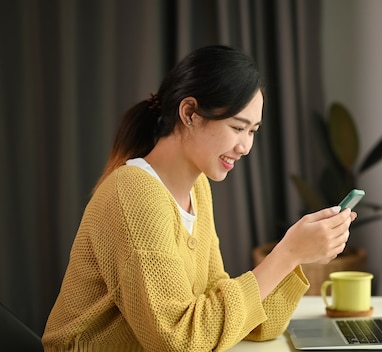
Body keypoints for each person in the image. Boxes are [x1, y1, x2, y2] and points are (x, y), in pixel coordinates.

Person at [42, 45, 357, 352]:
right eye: (237, 127)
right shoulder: (133, 192)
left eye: (253, 132)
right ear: (190, 113)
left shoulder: (198, 189)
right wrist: (286, 254)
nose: (246, 146)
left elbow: (245, 324)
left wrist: (297, 256)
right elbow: (179, 341)